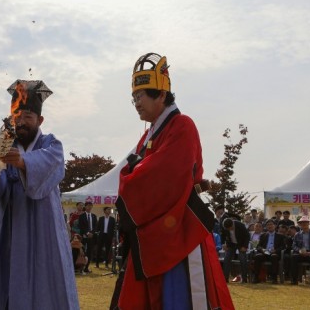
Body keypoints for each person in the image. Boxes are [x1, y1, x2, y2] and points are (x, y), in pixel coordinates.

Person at [111, 53, 233, 309]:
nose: (136, 102)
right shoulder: (148, 136)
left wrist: (129, 177)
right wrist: (131, 174)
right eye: (133, 97)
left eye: (141, 95)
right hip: (152, 236)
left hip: (180, 234)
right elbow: (134, 173)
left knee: (180, 298)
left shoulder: (182, 125)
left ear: (162, 95)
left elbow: (160, 175)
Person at [0, 79, 78, 309]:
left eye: (28, 117)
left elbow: (54, 163)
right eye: (17, 116)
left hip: (45, 228)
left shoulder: (50, 144)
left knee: (47, 282)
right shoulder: (2, 144)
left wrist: (24, 162)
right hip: (9, 228)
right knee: (5, 279)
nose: (21, 122)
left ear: (40, 120)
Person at [290, 216, 310, 285]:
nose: (303, 224)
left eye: (305, 223)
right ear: (300, 224)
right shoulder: (297, 234)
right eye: (302, 223)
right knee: (294, 257)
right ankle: (294, 280)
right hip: (300, 253)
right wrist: (299, 251)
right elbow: (294, 245)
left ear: (308, 223)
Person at [221, 218, 250, 283]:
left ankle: (244, 279)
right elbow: (223, 235)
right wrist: (224, 244)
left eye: (230, 228)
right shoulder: (225, 227)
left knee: (243, 260)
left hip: (241, 244)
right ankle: (225, 279)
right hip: (231, 244)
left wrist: (245, 246)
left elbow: (247, 236)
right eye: (228, 229)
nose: (229, 229)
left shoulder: (240, 225)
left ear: (233, 224)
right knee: (226, 259)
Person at [78, 201, 97, 274]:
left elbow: (95, 226)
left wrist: (92, 233)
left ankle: (86, 267)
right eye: (88, 206)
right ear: (85, 207)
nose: (89, 207)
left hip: (92, 237)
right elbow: (81, 226)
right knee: (83, 252)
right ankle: (81, 267)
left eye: (91, 206)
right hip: (84, 236)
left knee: (90, 252)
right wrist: (87, 233)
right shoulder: (81, 216)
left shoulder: (94, 216)